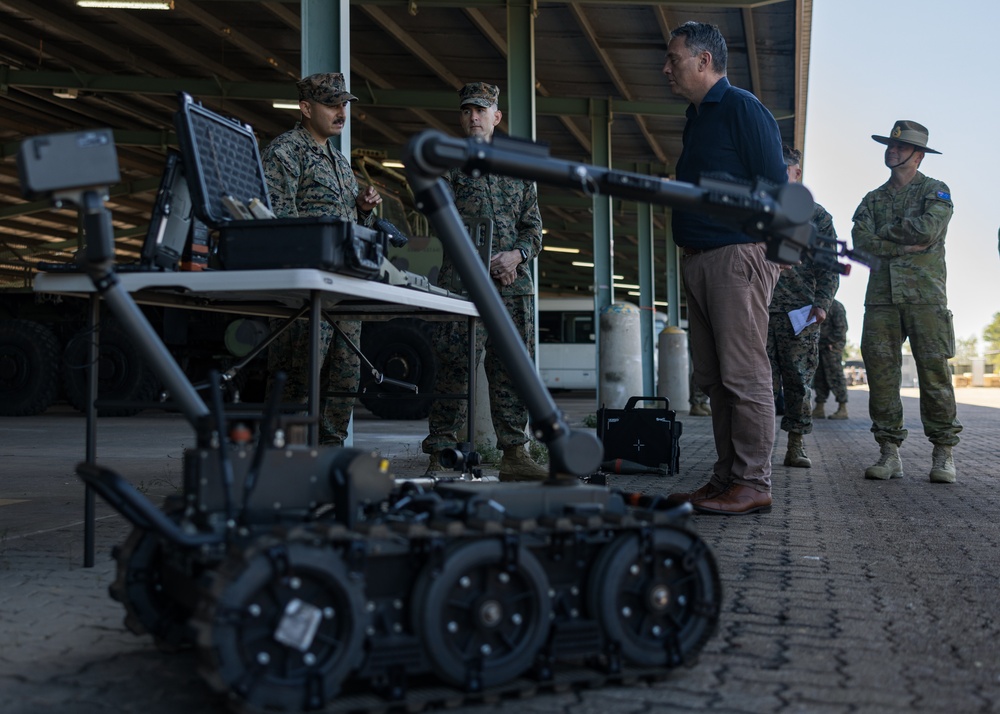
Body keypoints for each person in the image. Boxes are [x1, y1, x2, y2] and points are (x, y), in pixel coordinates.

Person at [661, 21, 786, 514]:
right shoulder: (698, 118)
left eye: (674, 58)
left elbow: (776, 188)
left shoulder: (741, 108)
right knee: (714, 379)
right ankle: (726, 477)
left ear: (704, 61)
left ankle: (754, 482)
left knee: (744, 375)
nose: (666, 67)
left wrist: (766, 263)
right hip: (700, 259)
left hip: (736, 257)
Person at [421, 82, 547, 481]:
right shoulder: (448, 164)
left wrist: (517, 256)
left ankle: (514, 453)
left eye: (481, 110)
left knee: (512, 368)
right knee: (454, 367)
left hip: (513, 286)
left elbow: (534, 229)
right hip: (463, 287)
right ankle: (441, 450)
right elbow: (441, 220)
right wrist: (483, 264)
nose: (473, 117)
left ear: (497, 116)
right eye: (466, 111)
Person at [261, 72, 382, 445]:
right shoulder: (286, 152)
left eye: (343, 104)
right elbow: (278, 221)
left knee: (344, 378)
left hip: (344, 287)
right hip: (305, 291)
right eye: (332, 104)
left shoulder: (340, 161)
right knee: (300, 374)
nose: (341, 111)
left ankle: (329, 454)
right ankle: (283, 457)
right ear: (305, 107)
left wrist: (362, 210)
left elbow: (348, 222)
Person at [852, 120, 962, 483]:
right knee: (882, 375)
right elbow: (860, 243)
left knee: (934, 374)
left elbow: (929, 230)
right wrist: (901, 245)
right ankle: (889, 453)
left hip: (925, 297)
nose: (892, 151)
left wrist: (883, 238)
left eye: (900, 148)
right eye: (889, 146)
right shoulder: (871, 199)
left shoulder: (936, 191)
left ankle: (943, 454)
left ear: (918, 156)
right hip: (881, 298)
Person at [766, 145, 840, 469]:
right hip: (759, 309)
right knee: (759, 384)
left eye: (785, 169)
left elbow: (829, 266)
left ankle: (795, 445)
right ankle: (758, 449)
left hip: (800, 314)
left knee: (798, 381)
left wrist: (822, 305)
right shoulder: (759, 210)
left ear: (797, 173)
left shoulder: (817, 216)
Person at [813, 298, 849, 419]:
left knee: (836, 376)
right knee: (819, 378)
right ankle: (819, 408)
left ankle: (842, 408)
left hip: (831, 349)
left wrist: (830, 341)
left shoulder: (835, 306)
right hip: (819, 347)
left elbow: (841, 328)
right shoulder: (814, 304)